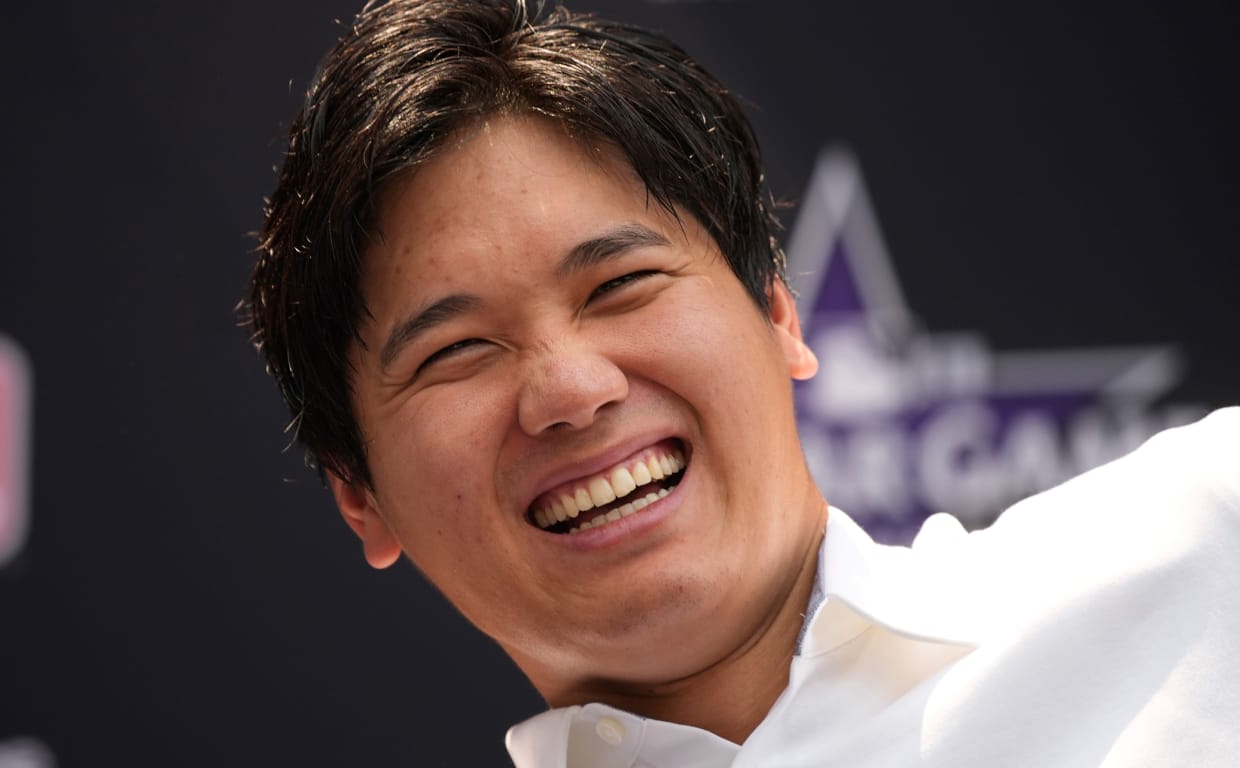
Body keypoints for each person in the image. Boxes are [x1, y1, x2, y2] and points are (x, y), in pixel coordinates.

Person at [244, 1, 1239, 765]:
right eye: (456, 350)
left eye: (621, 284)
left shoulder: (1207, 543)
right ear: (356, 491)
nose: (570, 387)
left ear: (779, 314)